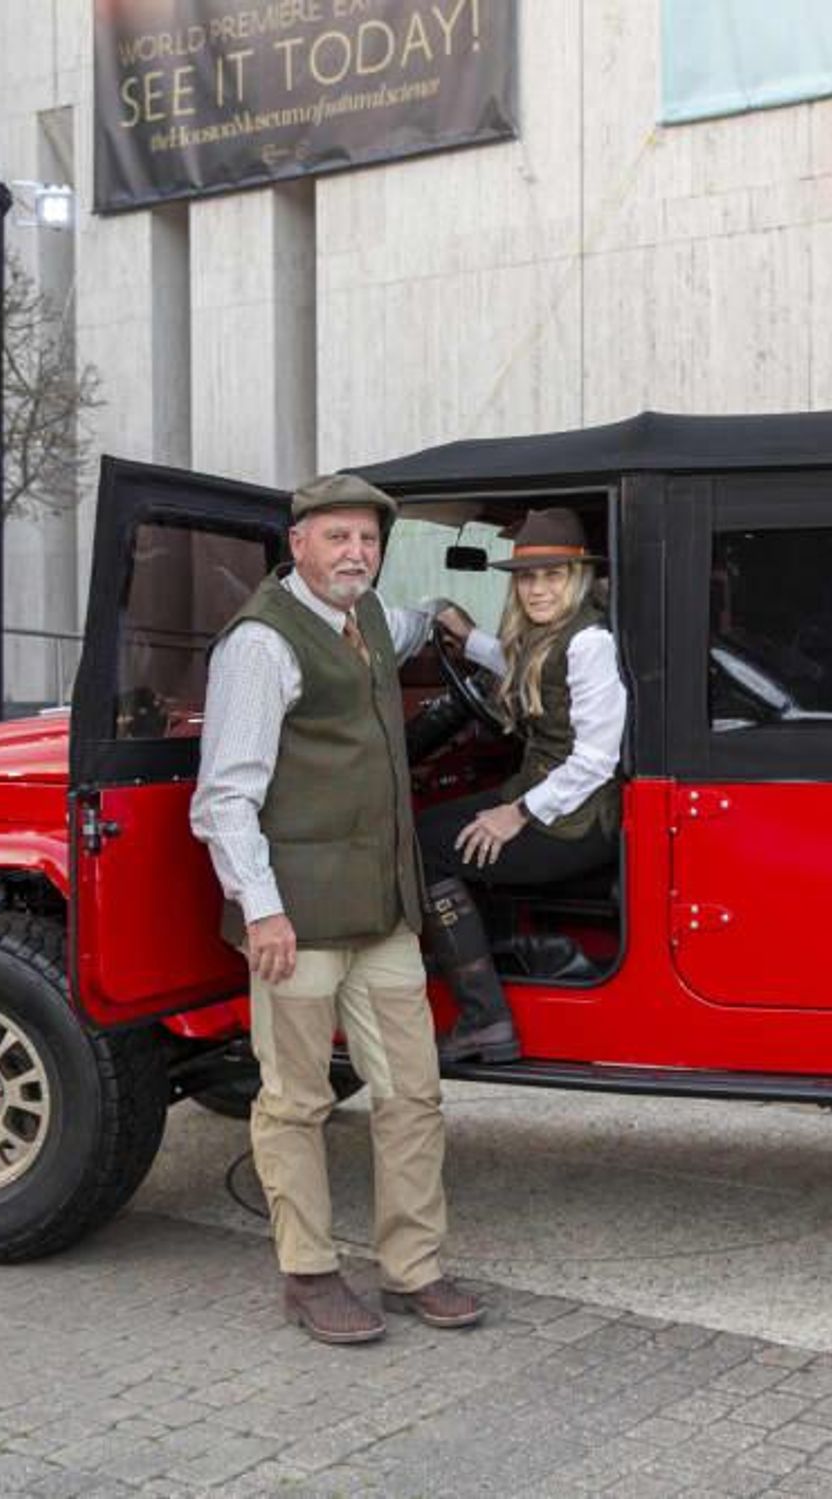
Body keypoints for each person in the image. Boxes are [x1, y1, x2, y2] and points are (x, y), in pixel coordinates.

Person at [190, 472, 482, 1347]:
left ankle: (413, 1268)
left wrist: (447, 616)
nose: (356, 553)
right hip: (298, 922)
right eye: (338, 538)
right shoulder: (261, 644)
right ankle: (309, 1273)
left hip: (381, 912)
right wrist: (264, 911)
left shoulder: (369, 621)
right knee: (295, 1102)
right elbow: (225, 798)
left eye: (368, 540)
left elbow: (411, 622)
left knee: (412, 1094)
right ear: (298, 545)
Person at [418, 507, 627, 1064]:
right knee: (430, 832)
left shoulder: (591, 644)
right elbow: (522, 662)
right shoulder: (552, 635)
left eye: (553, 576)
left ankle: (484, 1017)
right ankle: (511, 956)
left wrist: (517, 814)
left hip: (573, 820)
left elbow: (596, 760)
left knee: (422, 849)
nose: (537, 589)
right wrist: (467, 636)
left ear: (577, 576)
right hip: (544, 796)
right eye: (528, 577)